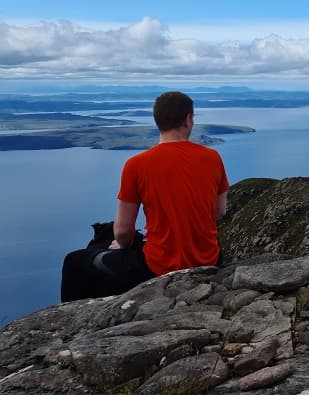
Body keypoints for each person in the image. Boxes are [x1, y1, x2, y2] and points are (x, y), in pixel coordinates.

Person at [60, 91, 229, 301]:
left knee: (74, 261)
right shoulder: (213, 158)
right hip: (209, 259)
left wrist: (121, 245)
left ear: (157, 121)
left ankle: (82, 324)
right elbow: (220, 211)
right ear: (188, 119)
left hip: (158, 266)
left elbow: (122, 231)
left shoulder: (136, 164)